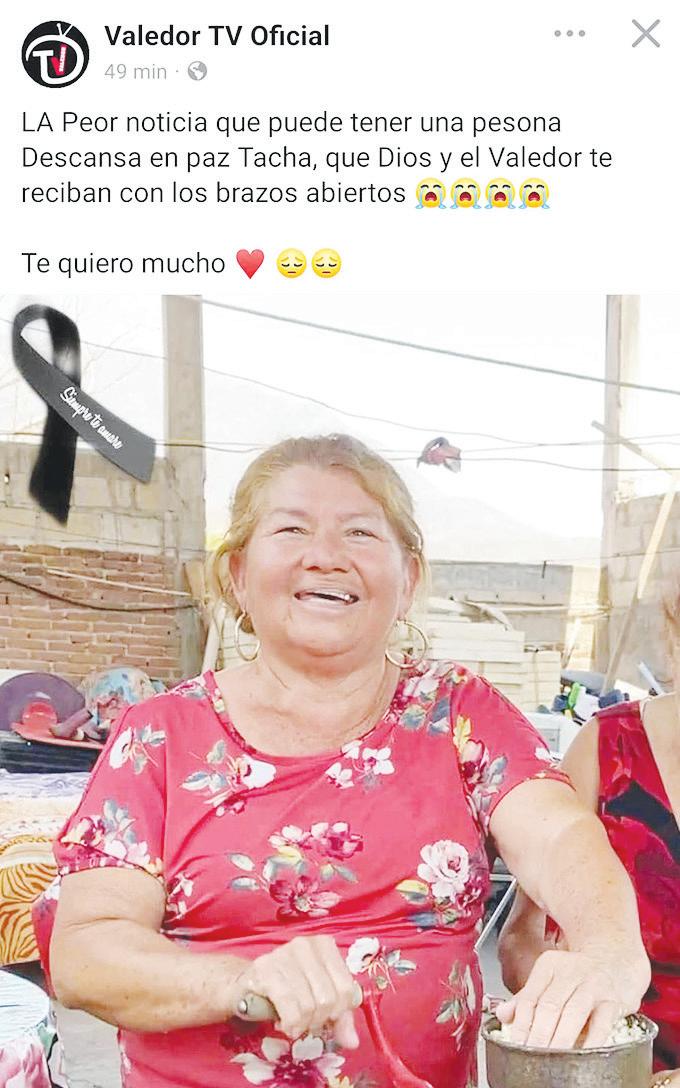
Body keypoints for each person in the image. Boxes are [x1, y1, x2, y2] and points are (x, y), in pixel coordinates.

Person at [43, 435, 650, 1088]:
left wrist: (610, 950)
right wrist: (239, 981)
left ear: (407, 579)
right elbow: (86, 952)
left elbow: (559, 835)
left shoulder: (457, 711)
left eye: (360, 533)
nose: (326, 556)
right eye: (291, 529)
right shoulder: (161, 735)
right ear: (238, 574)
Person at [498, 604, 680, 1088]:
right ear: (674, 633)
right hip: (617, 1071)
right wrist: (570, 1004)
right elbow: (521, 942)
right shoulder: (610, 747)